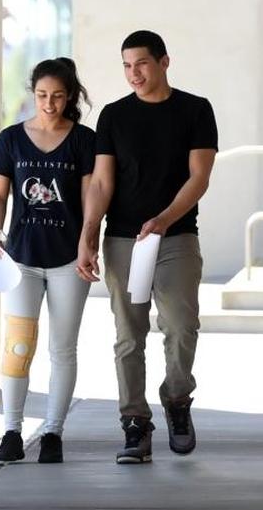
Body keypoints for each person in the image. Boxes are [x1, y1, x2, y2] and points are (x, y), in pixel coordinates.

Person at [76, 30, 218, 464]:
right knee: (128, 336)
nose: (133, 73)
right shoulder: (114, 116)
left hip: (175, 236)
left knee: (180, 325)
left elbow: (199, 178)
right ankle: (134, 423)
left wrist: (163, 219)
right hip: (122, 239)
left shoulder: (195, 110)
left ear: (164, 62)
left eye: (141, 63)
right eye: (126, 65)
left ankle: (177, 400)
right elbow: (101, 182)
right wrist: (88, 235)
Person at [0, 57, 96, 464]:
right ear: (32, 94)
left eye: (57, 96)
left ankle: (53, 433)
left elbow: (90, 200)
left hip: (69, 260)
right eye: (42, 95)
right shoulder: (11, 139)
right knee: (17, 346)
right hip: (21, 260)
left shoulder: (84, 141)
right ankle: (11, 432)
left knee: (63, 349)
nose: (49, 103)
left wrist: (90, 242)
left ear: (69, 97)